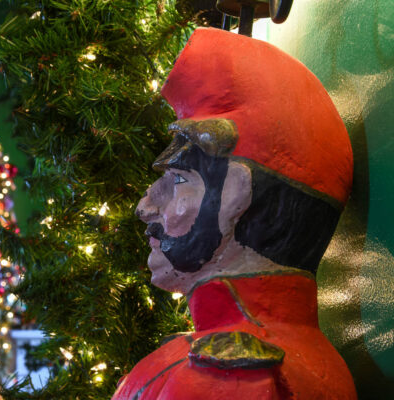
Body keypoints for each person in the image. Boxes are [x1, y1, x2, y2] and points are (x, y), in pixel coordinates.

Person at [112, 28, 357, 400]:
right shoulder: (281, 359)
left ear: (235, 196)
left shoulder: (222, 379)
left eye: (178, 179)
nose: (145, 207)